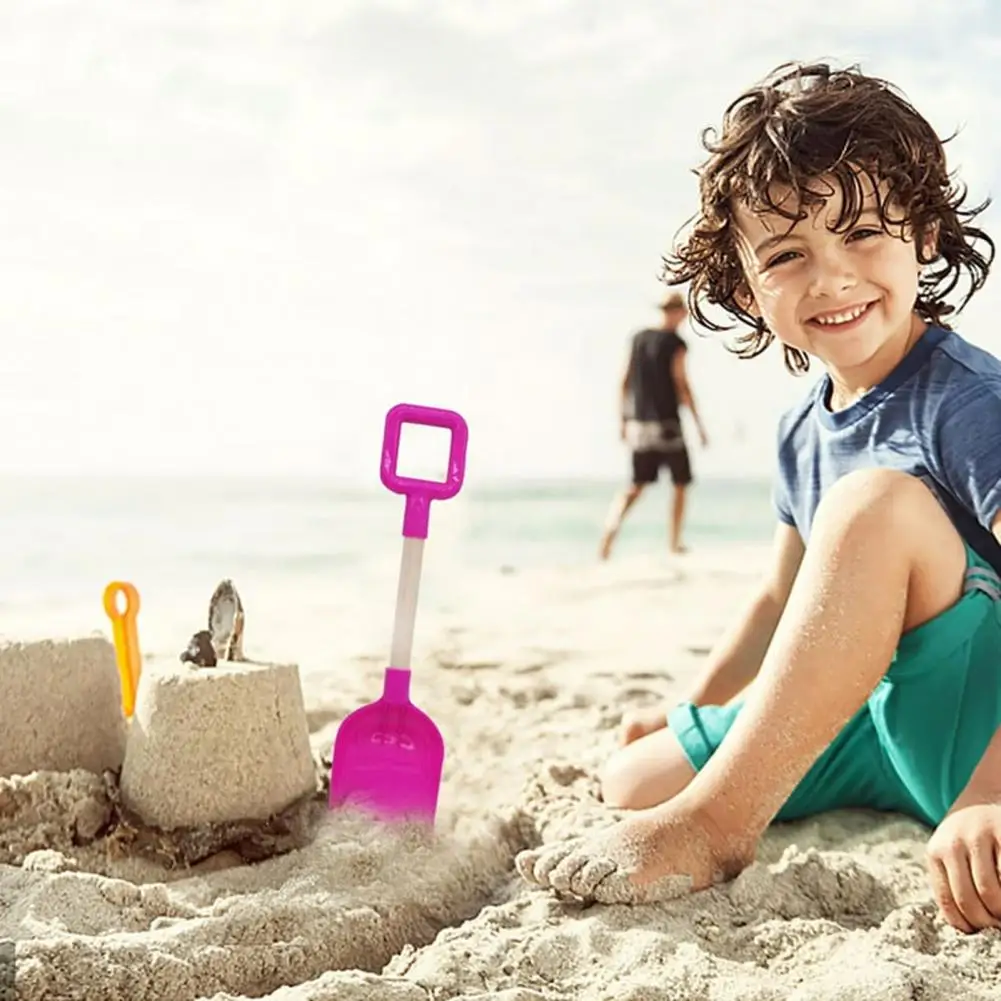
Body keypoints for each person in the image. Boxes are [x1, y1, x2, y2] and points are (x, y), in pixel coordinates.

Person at [516, 60, 1001, 934]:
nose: (831, 277)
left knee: (871, 506)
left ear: (923, 232)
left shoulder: (969, 401)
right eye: (787, 255)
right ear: (745, 289)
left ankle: (715, 826)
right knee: (633, 777)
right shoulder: (798, 428)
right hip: (876, 721)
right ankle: (714, 794)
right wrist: (693, 705)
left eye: (860, 234)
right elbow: (781, 600)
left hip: (976, 723)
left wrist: (988, 791)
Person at [599, 292, 708, 559]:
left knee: (635, 485)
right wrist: (699, 424)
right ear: (679, 312)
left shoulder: (638, 339)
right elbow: (681, 384)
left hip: (639, 424)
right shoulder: (676, 343)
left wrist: (623, 421)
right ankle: (674, 542)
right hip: (667, 422)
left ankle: (608, 536)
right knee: (681, 482)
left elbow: (624, 381)